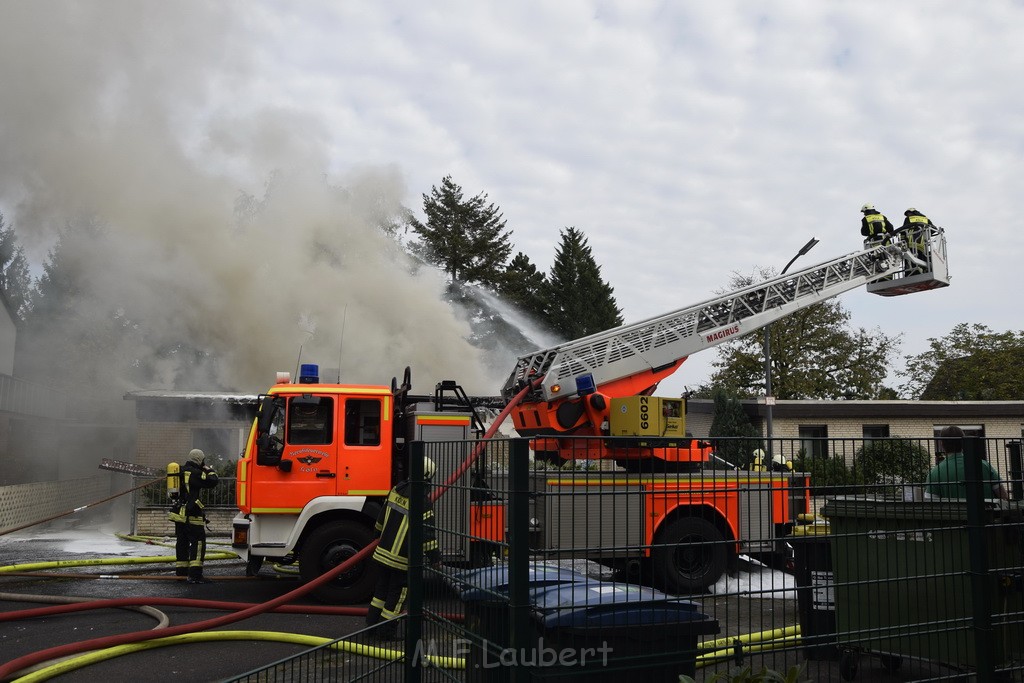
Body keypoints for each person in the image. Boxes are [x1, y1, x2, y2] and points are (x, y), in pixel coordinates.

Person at [366, 456, 442, 639]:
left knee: (381, 591)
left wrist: (377, 537)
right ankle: (386, 632)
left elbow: (381, 518)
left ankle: (371, 626)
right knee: (397, 596)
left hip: (382, 552)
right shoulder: (421, 501)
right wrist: (435, 559)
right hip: (401, 559)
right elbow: (428, 534)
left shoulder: (396, 489)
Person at [168, 449, 220, 584]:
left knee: (182, 543)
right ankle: (195, 575)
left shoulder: (179, 470)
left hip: (178, 514)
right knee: (198, 543)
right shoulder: (196, 473)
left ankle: (181, 574)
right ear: (200, 460)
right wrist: (209, 469)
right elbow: (213, 481)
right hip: (192, 514)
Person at [926, 426, 1008, 500]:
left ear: (942, 444)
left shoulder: (934, 473)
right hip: (986, 515)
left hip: (954, 516)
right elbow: (1003, 496)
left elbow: (931, 505)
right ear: (963, 443)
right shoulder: (983, 465)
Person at [897, 208, 933, 274]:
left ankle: (911, 273)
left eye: (909, 213)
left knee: (910, 259)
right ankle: (923, 270)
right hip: (922, 244)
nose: (908, 215)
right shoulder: (925, 219)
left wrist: (902, 241)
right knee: (921, 258)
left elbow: (903, 230)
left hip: (911, 243)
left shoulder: (908, 219)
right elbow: (933, 229)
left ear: (913, 213)